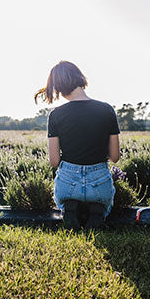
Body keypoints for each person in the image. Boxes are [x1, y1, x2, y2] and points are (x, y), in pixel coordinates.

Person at [35, 60, 120, 228]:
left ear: (58, 87)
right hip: (99, 182)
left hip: (68, 183)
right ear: (80, 78)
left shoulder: (56, 115)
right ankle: (98, 210)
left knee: (63, 201)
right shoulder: (107, 109)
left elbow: (54, 161)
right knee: (105, 206)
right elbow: (115, 157)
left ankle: (70, 209)